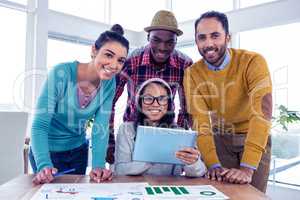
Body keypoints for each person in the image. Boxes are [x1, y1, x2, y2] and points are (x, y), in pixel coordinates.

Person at [183, 11, 272, 193]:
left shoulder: (253, 62)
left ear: (228, 37)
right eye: (202, 38)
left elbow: (262, 112)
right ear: (196, 40)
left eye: (215, 36)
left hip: (254, 137)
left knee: (252, 196)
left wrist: (247, 168)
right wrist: (213, 164)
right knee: (222, 194)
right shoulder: (192, 73)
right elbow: (200, 122)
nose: (208, 44)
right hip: (221, 139)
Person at [29, 24, 129, 184]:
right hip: (47, 152)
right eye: (109, 55)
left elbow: (100, 127)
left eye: (121, 60)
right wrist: (43, 165)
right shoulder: (61, 73)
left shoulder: (110, 84)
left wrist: (98, 165)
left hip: (78, 151)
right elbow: (39, 125)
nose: (114, 65)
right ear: (94, 51)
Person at [107, 10, 193, 164]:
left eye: (169, 42)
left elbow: (186, 109)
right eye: (156, 40)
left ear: (176, 41)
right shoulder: (131, 61)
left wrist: (179, 139)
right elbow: (109, 102)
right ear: (148, 37)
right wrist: (110, 142)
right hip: (132, 133)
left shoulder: (184, 64)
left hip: (165, 131)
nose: (162, 47)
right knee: (129, 179)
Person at [115, 78, 206, 177]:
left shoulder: (180, 133)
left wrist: (192, 162)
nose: (155, 104)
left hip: (168, 188)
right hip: (136, 189)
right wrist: (153, 157)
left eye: (162, 99)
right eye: (148, 98)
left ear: (169, 104)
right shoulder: (126, 129)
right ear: (140, 102)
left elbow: (199, 172)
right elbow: (120, 170)